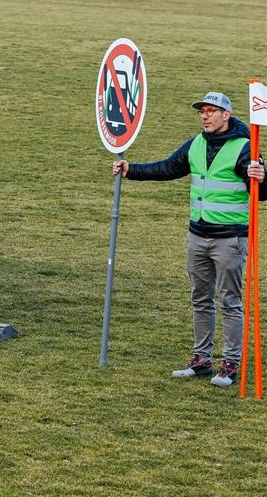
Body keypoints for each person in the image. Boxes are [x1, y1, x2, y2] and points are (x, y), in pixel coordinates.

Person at [112, 91, 266, 387]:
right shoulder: (195, 144)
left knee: (230, 301)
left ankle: (230, 364)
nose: (205, 116)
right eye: (202, 111)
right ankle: (201, 360)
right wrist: (132, 170)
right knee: (200, 299)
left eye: (211, 111)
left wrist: (263, 176)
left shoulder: (246, 148)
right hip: (197, 235)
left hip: (230, 239)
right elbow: (168, 168)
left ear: (226, 115)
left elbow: (262, 193)